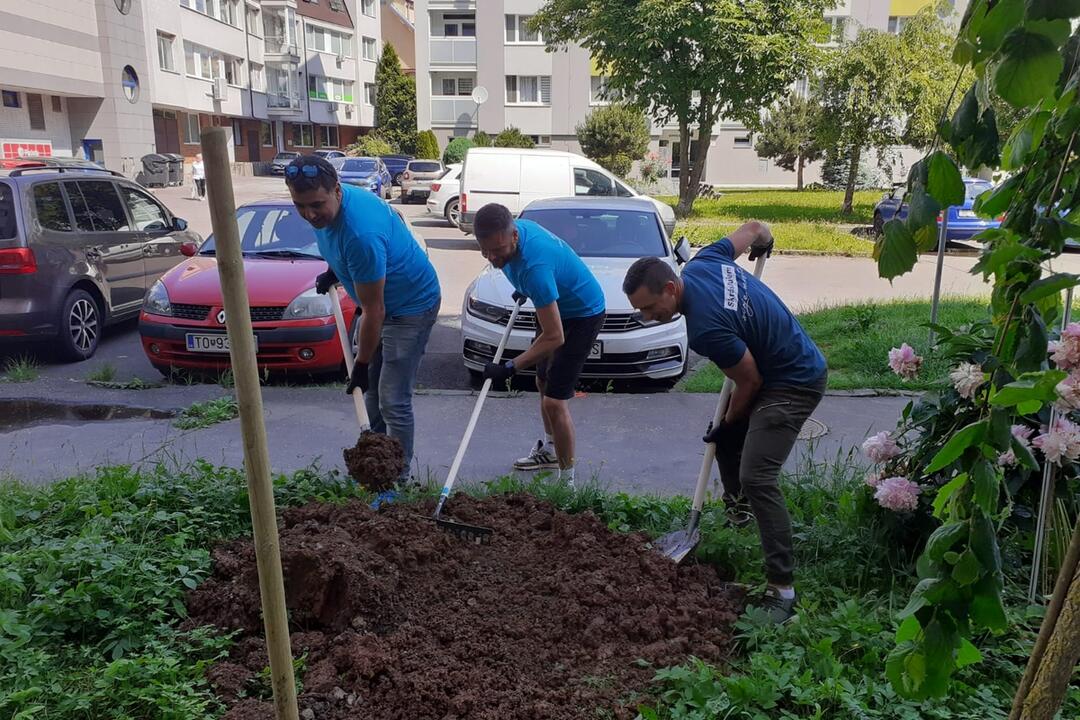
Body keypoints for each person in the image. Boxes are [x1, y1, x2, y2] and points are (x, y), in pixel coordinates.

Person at [622, 221, 827, 623]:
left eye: (649, 308)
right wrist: (765, 239)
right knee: (727, 439)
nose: (647, 317)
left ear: (670, 288)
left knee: (757, 475)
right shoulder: (704, 262)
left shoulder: (703, 328)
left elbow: (749, 379)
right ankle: (740, 518)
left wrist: (732, 422)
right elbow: (752, 228)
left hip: (794, 381)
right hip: (771, 367)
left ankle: (782, 591)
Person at [285, 154, 441, 483]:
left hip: (411, 307)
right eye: (300, 206)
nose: (310, 214)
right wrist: (335, 270)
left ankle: (397, 481)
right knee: (371, 394)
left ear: (337, 191)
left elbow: (375, 311)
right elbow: (340, 248)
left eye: (316, 204)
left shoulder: (360, 234)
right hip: (381, 303)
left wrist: (361, 365)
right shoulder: (334, 214)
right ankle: (376, 467)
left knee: (393, 398)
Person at [473, 203, 605, 485]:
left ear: (515, 238)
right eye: (485, 251)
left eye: (498, 251)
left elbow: (555, 336)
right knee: (542, 382)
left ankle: (567, 482)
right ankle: (549, 450)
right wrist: (522, 288)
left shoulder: (536, 268)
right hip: (555, 305)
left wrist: (509, 367)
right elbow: (520, 267)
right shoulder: (514, 238)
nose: (492, 258)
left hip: (582, 314)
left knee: (555, 401)